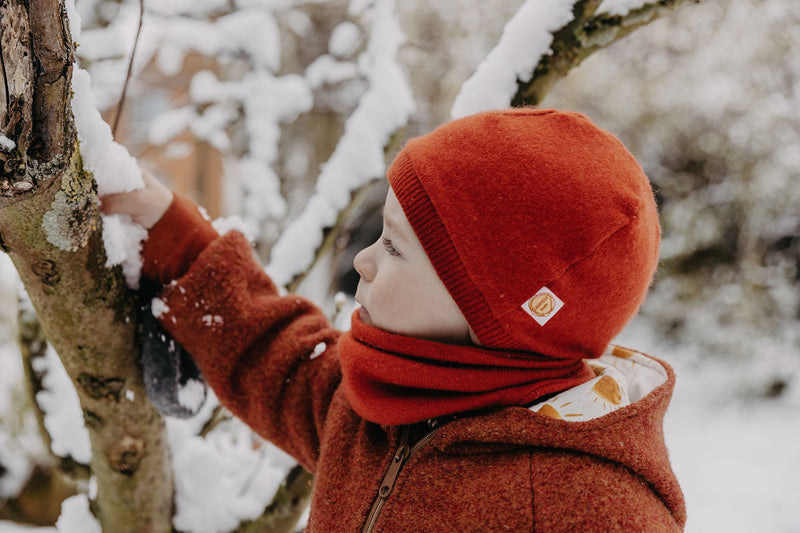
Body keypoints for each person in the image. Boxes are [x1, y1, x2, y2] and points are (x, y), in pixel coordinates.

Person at [102, 108, 686, 532]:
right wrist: (178, 240)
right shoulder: (381, 406)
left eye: (396, 247)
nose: (364, 259)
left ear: (494, 315)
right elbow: (279, 357)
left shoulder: (582, 507)